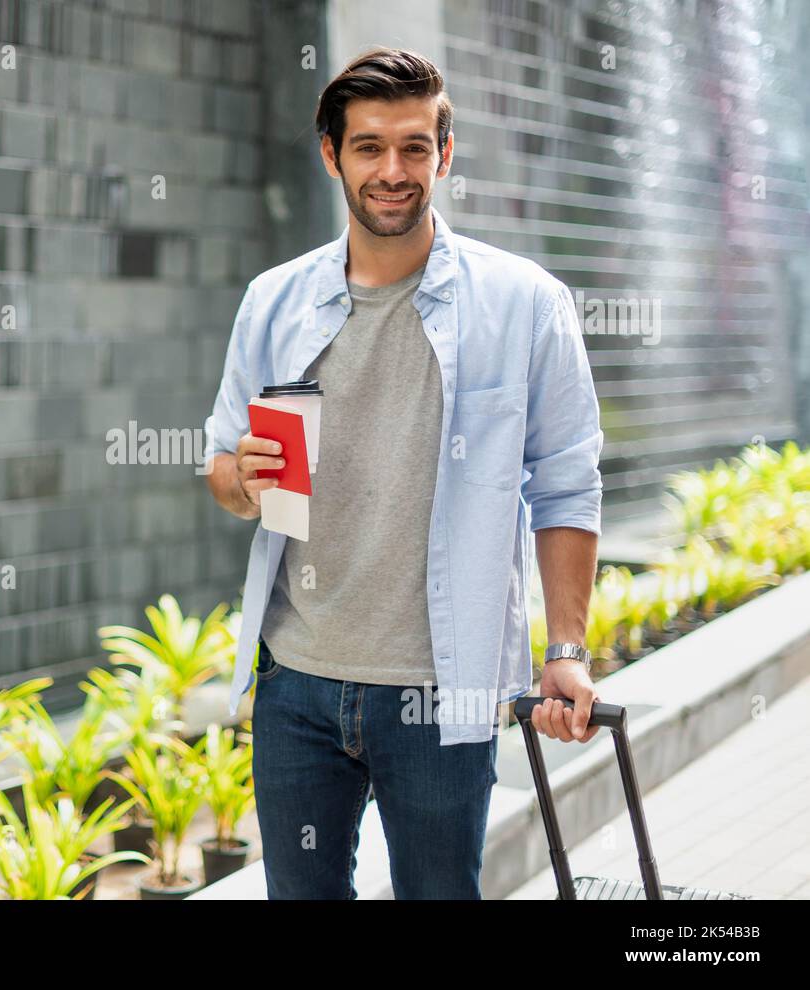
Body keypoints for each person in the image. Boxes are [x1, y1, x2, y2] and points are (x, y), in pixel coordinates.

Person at [201, 46, 605, 899]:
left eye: (415, 147)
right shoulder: (272, 300)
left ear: (445, 155)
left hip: (440, 695)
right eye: (370, 147)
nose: (394, 170)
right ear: (331, 155)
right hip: (296, 686)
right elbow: (224, 473)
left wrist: (565, 650)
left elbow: (565, 484)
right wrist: (244, 478)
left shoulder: (523, 303)